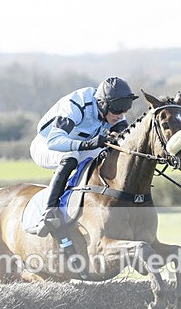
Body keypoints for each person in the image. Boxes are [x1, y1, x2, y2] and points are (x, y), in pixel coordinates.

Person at [28, 76, 138, 236]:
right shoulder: (76, 105)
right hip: (46, 144)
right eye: (118, 110)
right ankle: (49, 212)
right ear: (103, 104)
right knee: (71, 157)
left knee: (106, 155)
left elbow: (125, 140)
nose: (121, 115)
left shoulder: (115, 109)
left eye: (125, 110)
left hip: (79, 145)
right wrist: (88, 144)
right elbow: (54, 141)